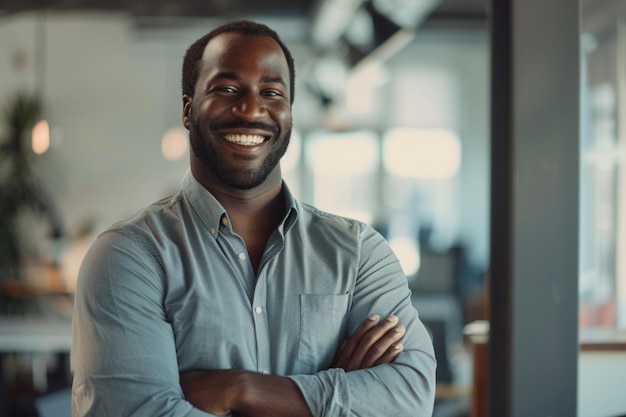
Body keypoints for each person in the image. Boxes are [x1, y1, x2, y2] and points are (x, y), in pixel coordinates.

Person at [71, 20, 436, 417]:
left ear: (290, 115)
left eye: (272, 92)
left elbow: (410, 396)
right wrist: (332, 396)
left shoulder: (359, 253)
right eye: (227, 89)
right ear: (189, 110)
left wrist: (243, 390)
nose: (250, 108)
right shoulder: (131, 256)